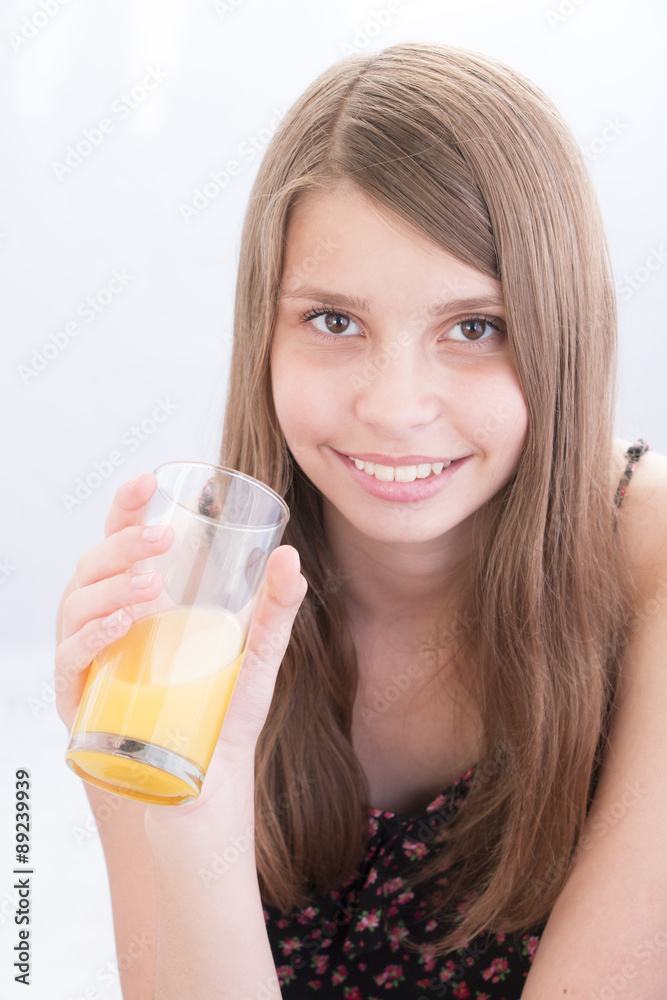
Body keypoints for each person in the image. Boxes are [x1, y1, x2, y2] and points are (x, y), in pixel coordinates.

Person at [54, 41, 667, 999]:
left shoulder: (654, 568)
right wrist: (187, 813)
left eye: (475, 327)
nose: (394, 406)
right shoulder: (189, 604)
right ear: (266, 327)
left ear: (564, 329)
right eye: (334, 321)